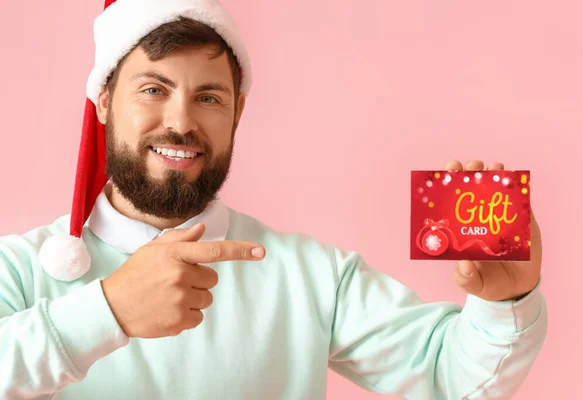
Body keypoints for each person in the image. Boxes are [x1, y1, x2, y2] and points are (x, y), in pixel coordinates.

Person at [0, 0, 547, 399]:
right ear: (101, 101)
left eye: (208, 97)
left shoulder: (312, 274)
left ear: (237, 112)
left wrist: (506, 304)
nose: (181, 121)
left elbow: (450, 375)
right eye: (152, 89)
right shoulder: (20, 269)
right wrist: (109, 310)